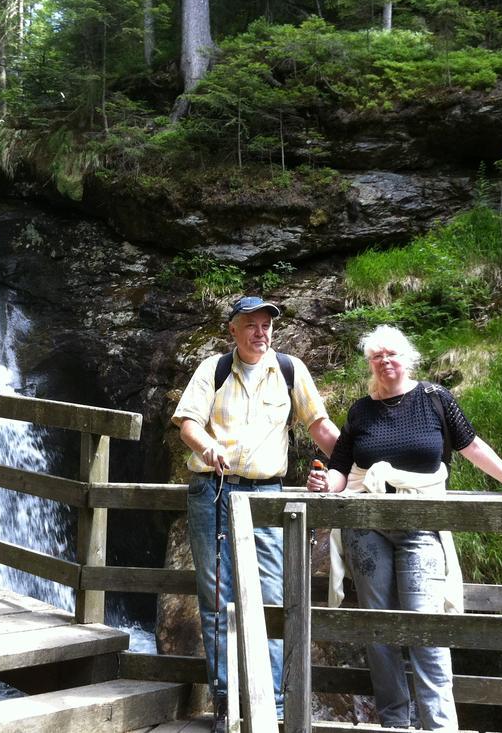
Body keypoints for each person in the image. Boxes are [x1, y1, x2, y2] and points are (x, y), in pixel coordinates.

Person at [307, 325, 502, 731]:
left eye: (391, 354)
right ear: (370, 364)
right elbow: (340, 469)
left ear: (407, 357)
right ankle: (394, 723)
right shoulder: (360, 410)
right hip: (366, 528)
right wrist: (323, 485)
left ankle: (440, 726)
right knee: (379, 629)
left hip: (421, 524)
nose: (385, 362)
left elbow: (472, 446)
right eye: (376, 357)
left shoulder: (434, 399)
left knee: (427, 628)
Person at [172, 295, 339, 728]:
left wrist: (355, 461)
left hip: (267, 496)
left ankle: (274, 709)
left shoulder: (290, 370)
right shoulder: (213, 369)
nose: (260, 332)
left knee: (272, 598)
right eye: (251, 324)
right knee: (216, 598)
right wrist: (207, 447)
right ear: (233, 329)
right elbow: (188, 421)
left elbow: (319, 426)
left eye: (266, 325)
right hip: (214, 491)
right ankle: (228, 704)